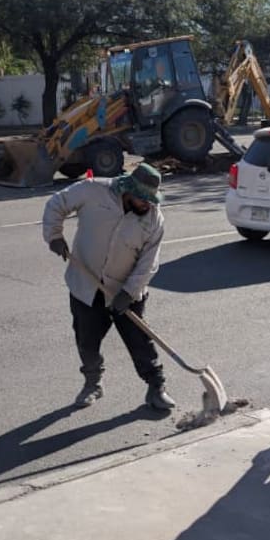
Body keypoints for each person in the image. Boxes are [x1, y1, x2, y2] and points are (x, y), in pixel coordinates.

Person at [42, 164, 174, 411]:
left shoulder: (154, 218)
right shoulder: (93, 191)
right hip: (86, 285)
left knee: (140, 341)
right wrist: (54, 236)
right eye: (143, 199)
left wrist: (129, 293)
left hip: (127, 289)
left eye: (151, 200)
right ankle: (93, 383)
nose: (148, 204)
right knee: (87, 341)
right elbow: (56, 204)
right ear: (128, 191)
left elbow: (149, 262)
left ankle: (157, 387)